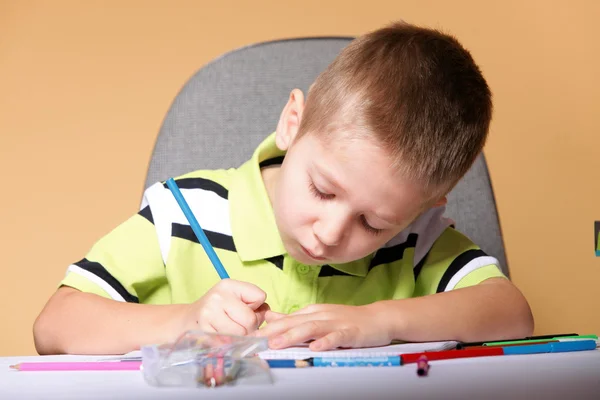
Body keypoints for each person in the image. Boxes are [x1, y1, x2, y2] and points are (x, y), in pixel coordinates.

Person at [33, 21, 533, 355]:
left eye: (373, 223)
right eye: (322, 189)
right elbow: (53, 326)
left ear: (425, 206)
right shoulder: (184, 211)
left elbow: (512, 312)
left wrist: (379, 321)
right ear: (292, 122)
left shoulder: (416, 239)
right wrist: (184, 319)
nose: (331, 233)